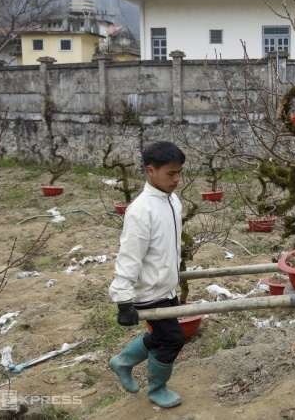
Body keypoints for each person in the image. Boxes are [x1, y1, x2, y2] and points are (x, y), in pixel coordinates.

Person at [108, 140, 186, 408]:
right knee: (174, 339)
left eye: (179, 172)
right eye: (171, 174)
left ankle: (122, 361)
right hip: (148, 290)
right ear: (150, 170)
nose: (177, 179)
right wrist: (123, 299)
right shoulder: (141, 210)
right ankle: (157, 388)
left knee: (163, 336)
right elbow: (129, 256)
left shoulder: (172, 200)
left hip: (165, 286)